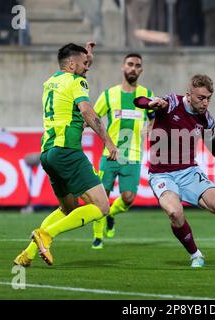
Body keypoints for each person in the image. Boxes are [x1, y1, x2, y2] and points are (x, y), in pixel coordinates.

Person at [133, 74, 215, 268]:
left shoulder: (206, 119)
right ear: (189, 95)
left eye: (208, 98)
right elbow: (138, 101)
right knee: (175, 213)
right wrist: (151, 103)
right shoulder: (172, 103)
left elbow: (209, 140)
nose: (205, 102)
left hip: (189, 171)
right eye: (201, 97)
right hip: (162, 173)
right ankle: (195, 255)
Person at [13, 42, 119, 267]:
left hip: (48, 153)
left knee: (67, 208)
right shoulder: (77, 81)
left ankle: (28, 254)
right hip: (67, 151)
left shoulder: (50, 82)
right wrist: (109, 143)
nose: (87, 68)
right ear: (71, 64)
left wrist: (87, 57)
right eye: (83, 64)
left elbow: (74, 73)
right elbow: (87, 111)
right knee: (102, 206)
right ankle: (46, 236)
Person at [91, 53, 155, 249]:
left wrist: (150, 127)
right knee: (100, 197)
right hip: (109, 155)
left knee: (128, 199)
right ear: (123, 67)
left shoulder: (147, 95)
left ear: (141, 70)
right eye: (130, 64)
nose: (133, 68)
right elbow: (93, 117)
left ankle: (110, 214)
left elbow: (154, 117)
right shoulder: (109, 95)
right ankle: (97, 237)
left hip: (133, 156)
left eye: (137, 65)